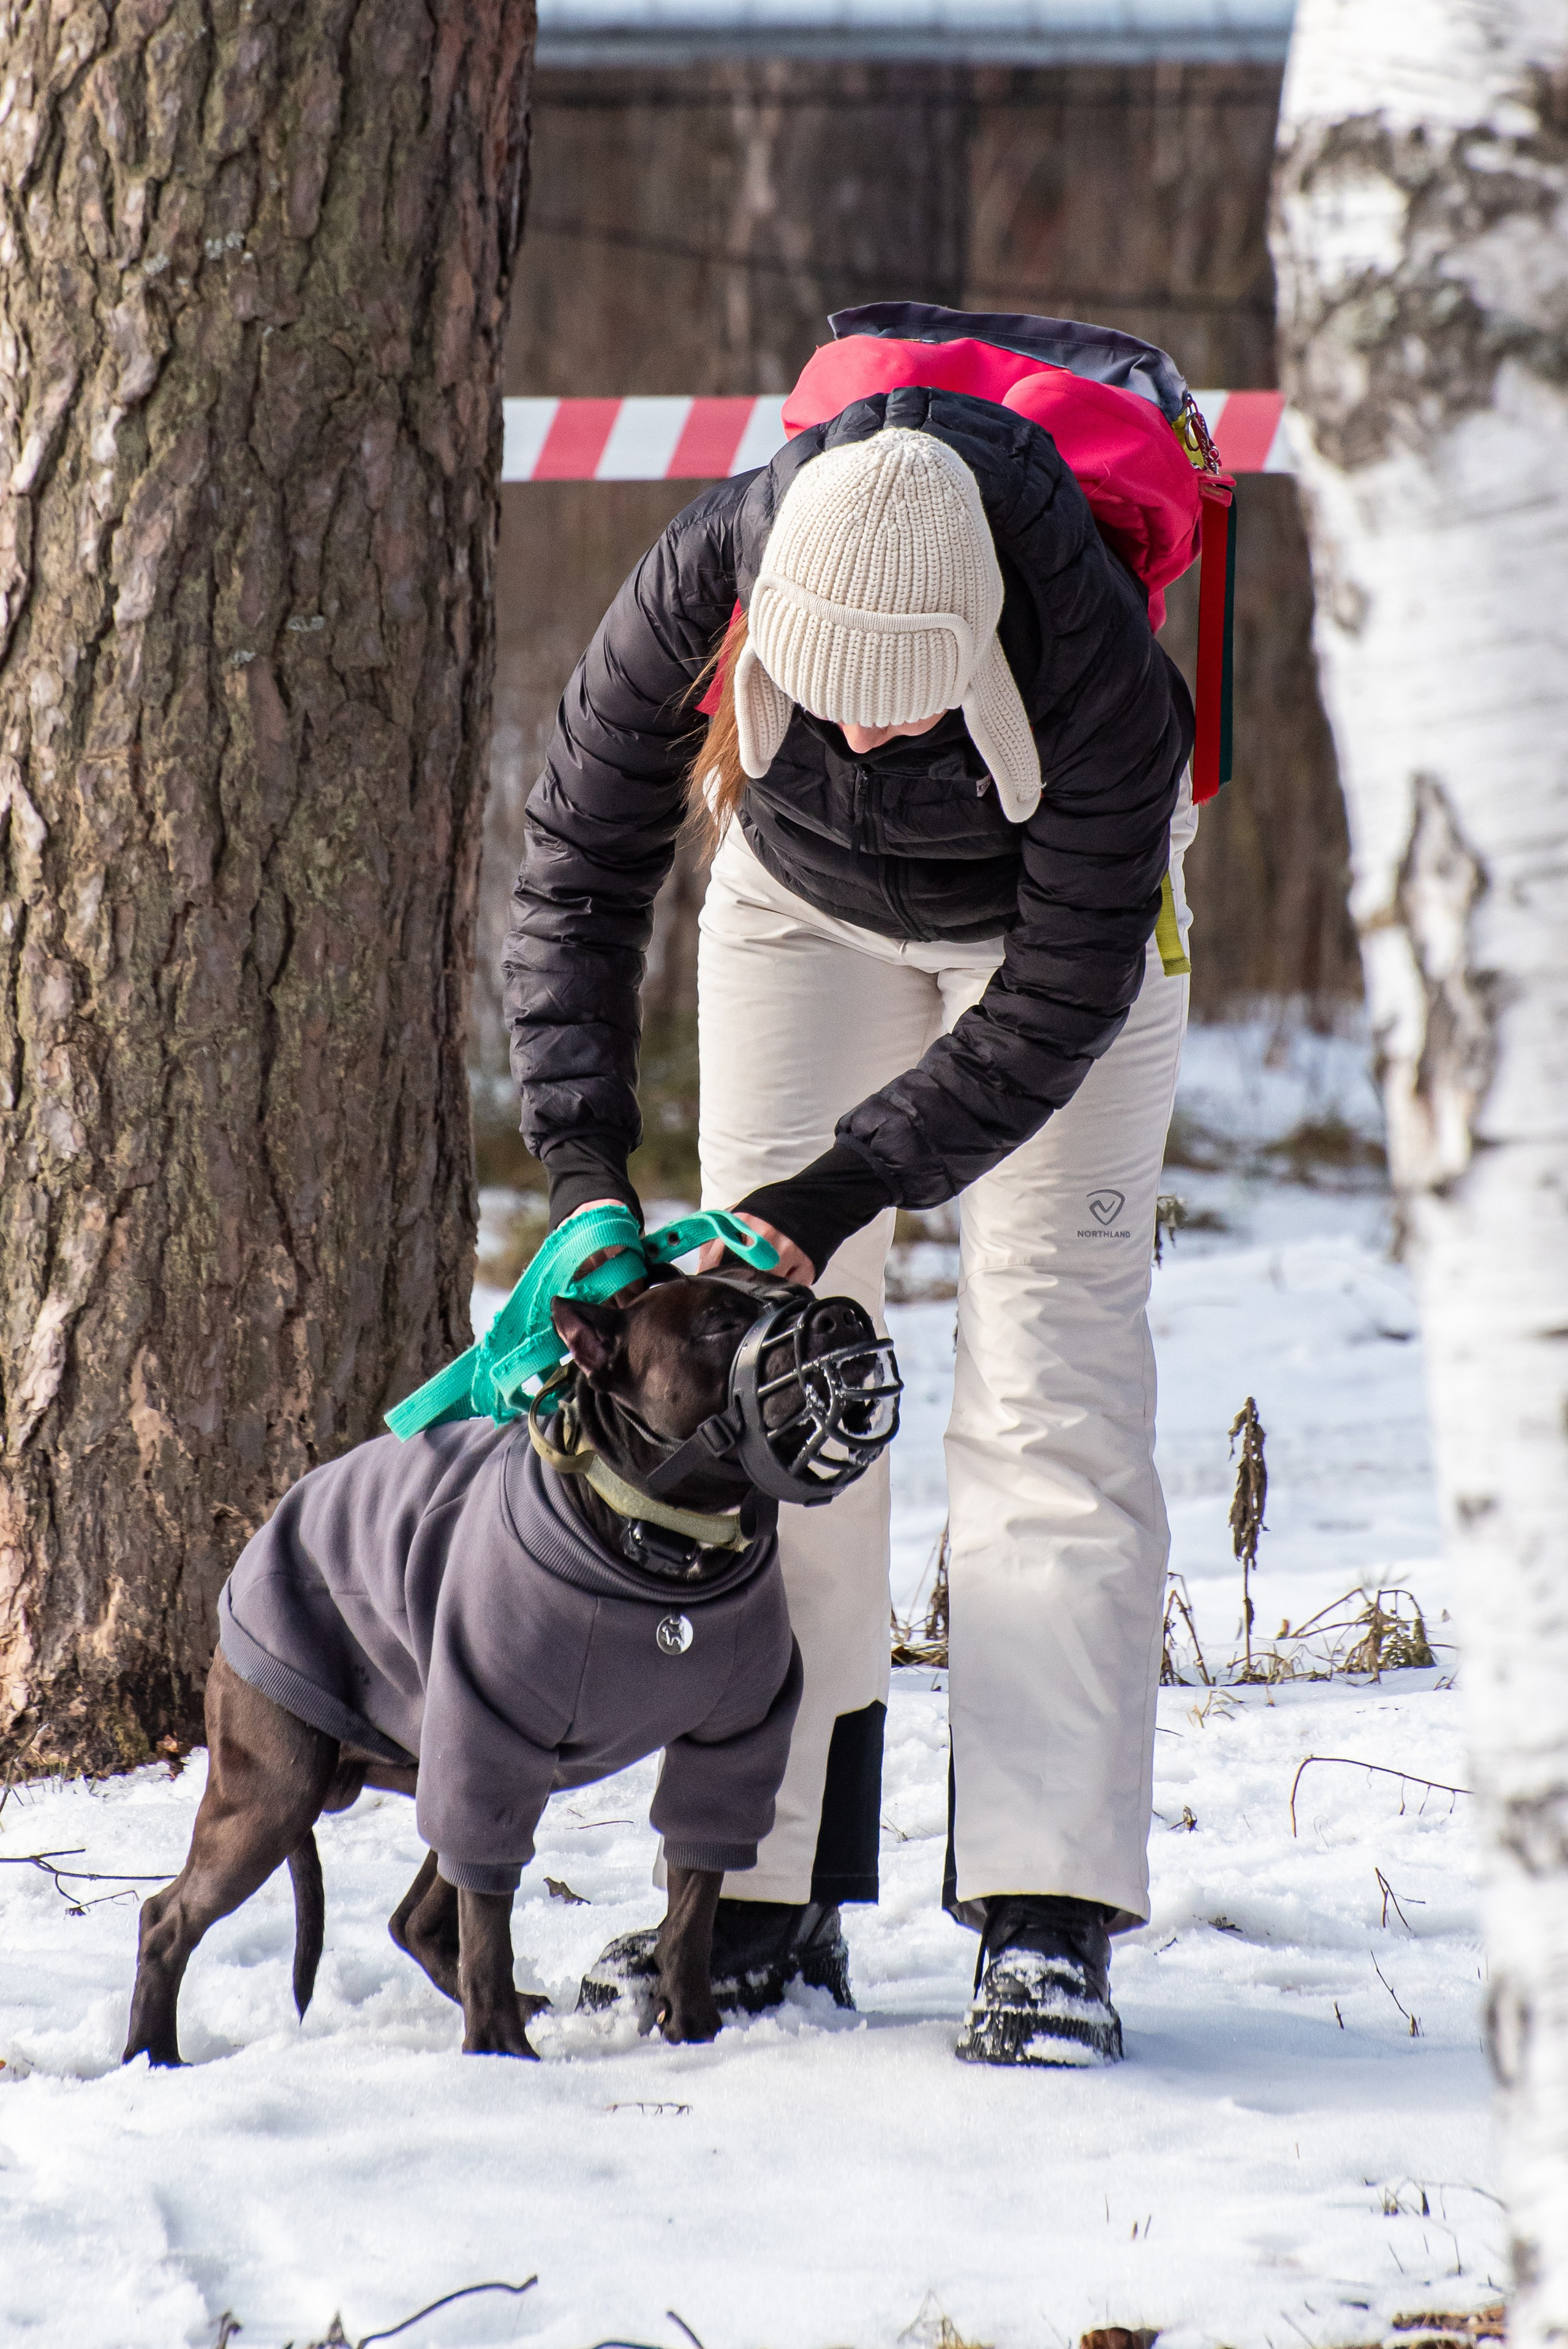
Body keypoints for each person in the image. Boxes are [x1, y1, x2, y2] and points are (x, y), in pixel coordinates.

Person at [503, 308, 1199, 2067]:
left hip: (1054, 959)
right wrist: (588, 1174)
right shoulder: (702, 572)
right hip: (802, 912)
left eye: (914, 711)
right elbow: (579, 870)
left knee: (1051, 1384)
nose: (879, 742)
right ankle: (754, 1886)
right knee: (763, 1387)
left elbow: (1063, 996)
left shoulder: (1105, 674)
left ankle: (1047, 1921)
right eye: (841, 706)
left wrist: (833, 1190)